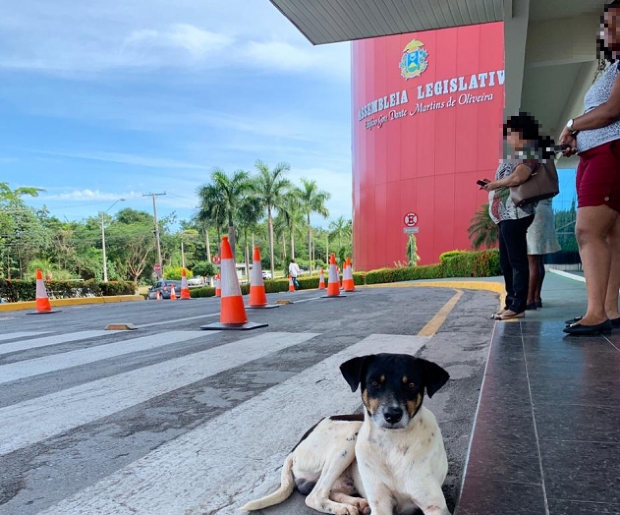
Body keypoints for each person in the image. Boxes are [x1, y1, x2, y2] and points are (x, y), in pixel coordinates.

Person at [559, 1, 620, 335]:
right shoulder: (613, 67)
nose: (607, 32)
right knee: (611, 234)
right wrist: (576, 135)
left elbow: (612, 110)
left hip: (608, 151)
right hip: (595, 153)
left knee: (587, 231)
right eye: (605, 26)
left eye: (615, 24)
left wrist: (572, 124)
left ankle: (596, 312)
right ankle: (609, 309)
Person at [482, 113, 554, 321]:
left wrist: (495, 184)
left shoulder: (530, 150)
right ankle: (511, 304)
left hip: (516, 213)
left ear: (520, 133)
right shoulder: (520, 154)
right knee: (507, 261)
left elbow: (519, 176)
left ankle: (517, 305)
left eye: (510, 134)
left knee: (516, 261)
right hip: (506, 216)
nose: (508, 139)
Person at [525, 199, 561, 310]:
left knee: (532, 259)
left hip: (534, 211)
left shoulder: (535, 181)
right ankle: (536, 298)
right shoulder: (550, 180)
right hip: (545, 210)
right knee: (538, 259)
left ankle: (529, 300)